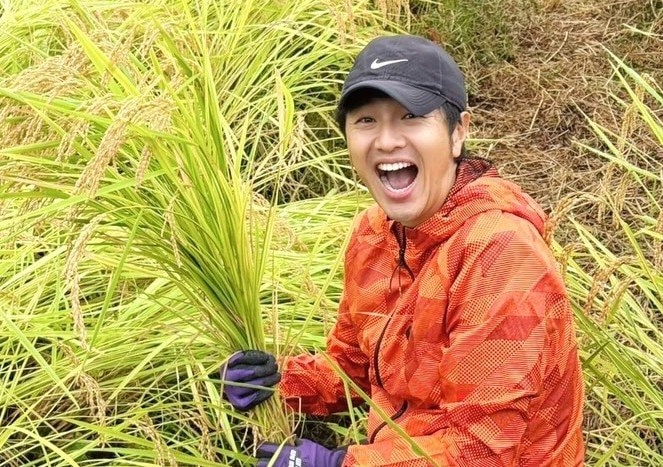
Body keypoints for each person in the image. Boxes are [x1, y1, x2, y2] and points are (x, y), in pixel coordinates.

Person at [220, 35, 585, 466]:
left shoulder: (501, 254)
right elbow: (355, 365)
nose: (387, 140)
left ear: (457, 133)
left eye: (411, 116)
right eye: (366, 120)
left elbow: (482, 451)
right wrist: (279, 383)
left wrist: (340, 464)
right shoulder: (373, 234)